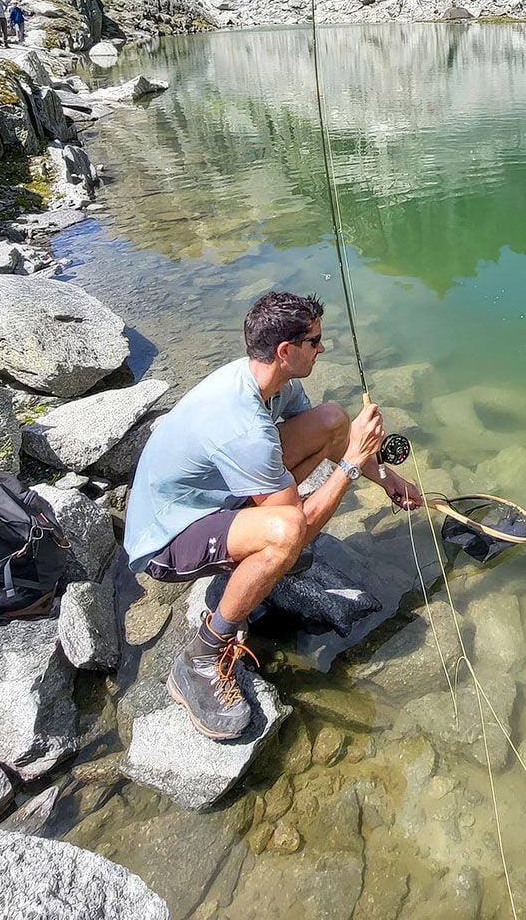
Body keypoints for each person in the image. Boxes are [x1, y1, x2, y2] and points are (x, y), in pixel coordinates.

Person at [123, 291, 423, 738]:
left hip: (210, 498)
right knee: (283, 536)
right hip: (166, 539)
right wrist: (350, 468)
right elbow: (295, 528)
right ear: (286, 350)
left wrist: (386, 478)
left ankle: (257, 550)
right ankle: (201, 656)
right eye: (315, 341)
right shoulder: (243, 425)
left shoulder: (271, 382)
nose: (322, 349)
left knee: (331, 419)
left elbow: (326, 437)